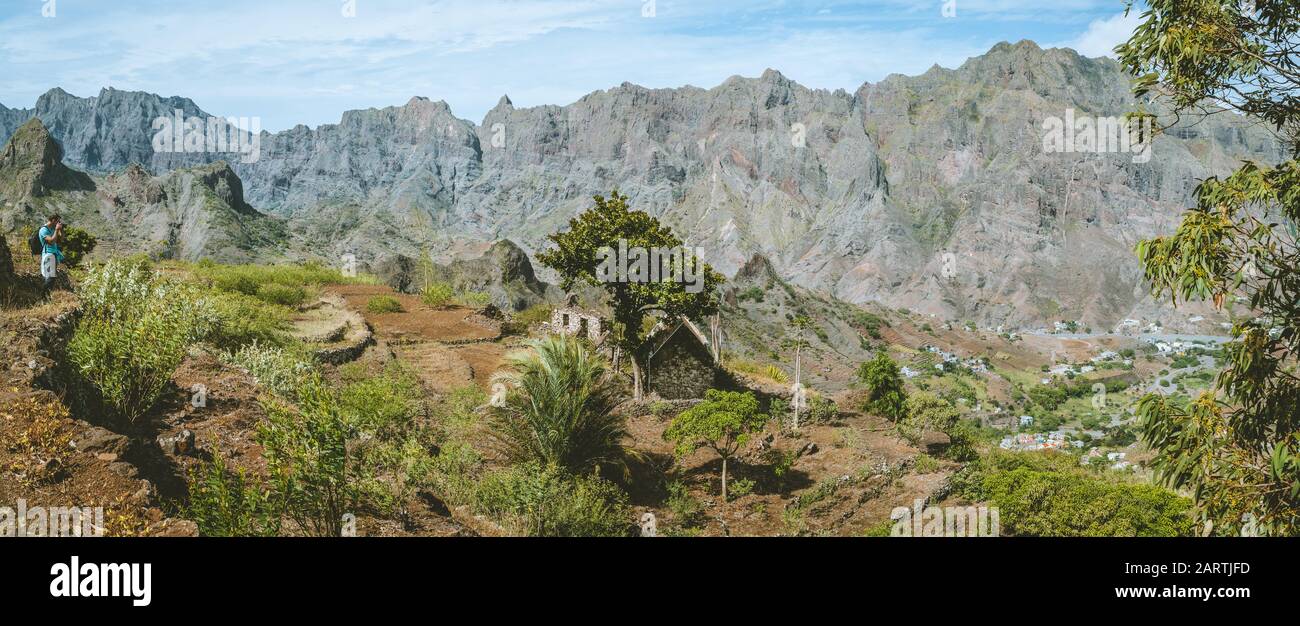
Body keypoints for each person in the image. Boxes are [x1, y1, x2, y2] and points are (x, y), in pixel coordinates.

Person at [38, 214, 64, 289]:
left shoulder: (52, 229)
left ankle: (46, 296)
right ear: (53, 220)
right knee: (50, 278)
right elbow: (51, 241)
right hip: (48, 255)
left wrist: (60, 230)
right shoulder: (44, 230)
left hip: (54, 254)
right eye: (58, 221)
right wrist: (56, 230)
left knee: (52, 278)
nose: (58, 223)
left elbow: (60, 240)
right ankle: (43, 296)